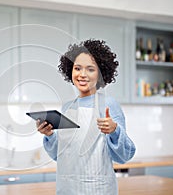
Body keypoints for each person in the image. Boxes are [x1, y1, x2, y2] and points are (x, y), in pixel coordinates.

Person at [36, 39, 136, 195]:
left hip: (97, 189)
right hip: (67, 188)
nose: (82, 75)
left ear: (101, 73)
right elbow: (60, 155)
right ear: (71, 71)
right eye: (77, 68)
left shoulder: (108, 104)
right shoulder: (67, 107)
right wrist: (50, 135)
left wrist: (114, 130)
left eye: (90, 69)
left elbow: (125, 155)